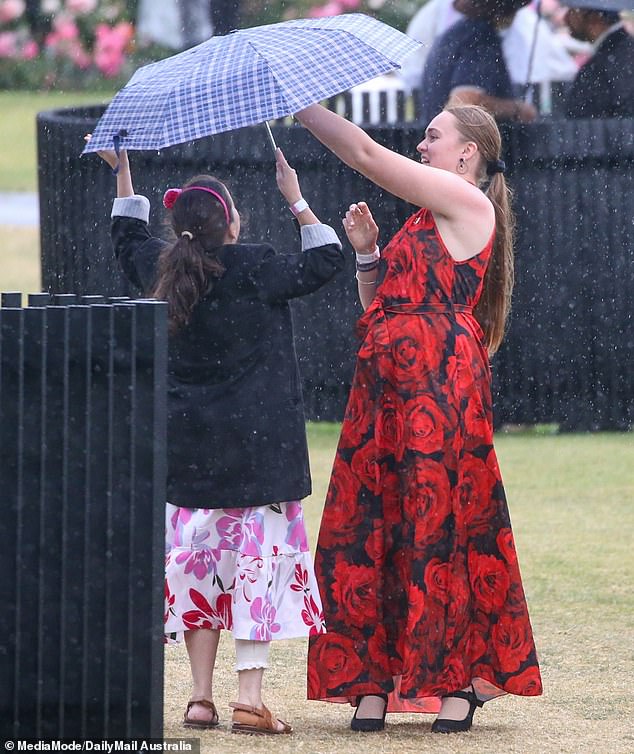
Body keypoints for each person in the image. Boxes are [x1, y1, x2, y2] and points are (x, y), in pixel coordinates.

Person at [294, 102, 543, 733]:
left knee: (440, 523)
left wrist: (300, 107)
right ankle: (373, 682)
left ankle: (454, 682)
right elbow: (383, 304)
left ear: (467, 153)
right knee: (372, 519)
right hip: (386, 383)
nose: (423, 143)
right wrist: (368, 256)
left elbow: (367, 156)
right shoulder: (425, 216)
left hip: (437, 384)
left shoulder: (470, 205)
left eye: (434, 135)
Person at [91, 139, 344, 734]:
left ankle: (200, 698)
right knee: (258, 566)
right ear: (231, 222)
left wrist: (124, 171)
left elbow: (127, 236)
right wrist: (297, 198)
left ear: (179, 225)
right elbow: (326, 260)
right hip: (259, 455)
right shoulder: (254, 264)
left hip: (190, 455)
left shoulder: (164, 265)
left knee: (198, 570)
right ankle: (248, 698)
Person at [399, 0, 579, 94]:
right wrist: (516, 109)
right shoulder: (480, 39)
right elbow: (464, 99)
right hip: (467, 150)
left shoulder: (457, 33)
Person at [419, 0, 539, 125]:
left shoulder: (454, 34)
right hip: (462, 140)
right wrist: (516, 109)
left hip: (442, 136)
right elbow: (463, 102)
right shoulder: (480, 38)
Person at [560, 0, 634, 117]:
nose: (565, 19)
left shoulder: (599, 67)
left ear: (593, 16)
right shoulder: (625, 51)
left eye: (572, 11)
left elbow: (581, 123)